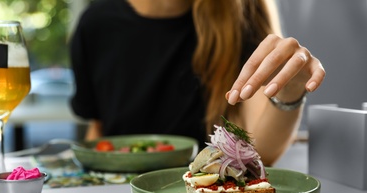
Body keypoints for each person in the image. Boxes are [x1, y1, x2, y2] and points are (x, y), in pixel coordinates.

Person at [70, 0, 325, 166]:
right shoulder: (95, 24)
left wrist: (289, 91)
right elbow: (98, 132)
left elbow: (260, 152)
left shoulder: (241, 15)